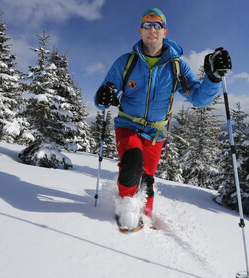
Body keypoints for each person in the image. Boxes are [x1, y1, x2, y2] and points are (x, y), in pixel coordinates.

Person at [94, 8, 232, 228]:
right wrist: (103, 96)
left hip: (156, 133)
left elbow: (198, 98)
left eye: (157, 25)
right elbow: (103, 95)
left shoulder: (176, 66)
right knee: (132, 162)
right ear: (140, 31)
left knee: (146, 181)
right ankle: (125, 208)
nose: (152, 30)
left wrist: (213, 78)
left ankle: (146, 219)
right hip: (127, 125)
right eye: (147, 25)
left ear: (164, 31)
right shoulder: (125, 63)